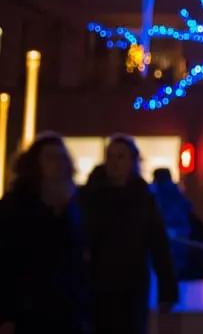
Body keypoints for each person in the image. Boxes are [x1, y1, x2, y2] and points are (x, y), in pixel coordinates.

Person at [79, 136, 178, 334]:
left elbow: (158, 243)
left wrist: (167, 290)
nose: (115, 163)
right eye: (111, 157)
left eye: (121, 157)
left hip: (131, 284)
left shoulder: (143, 197)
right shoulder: (90, 196)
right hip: (97, 284)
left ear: (132, 162)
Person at [0, 134, 89, 334]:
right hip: (28, 309)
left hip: (67, 308)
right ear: (35, 164)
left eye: (61, 157)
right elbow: (5, 261)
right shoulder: (15, 205)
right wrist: (6, 314)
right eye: (50, 157)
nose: (58, 164)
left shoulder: (74, 204)